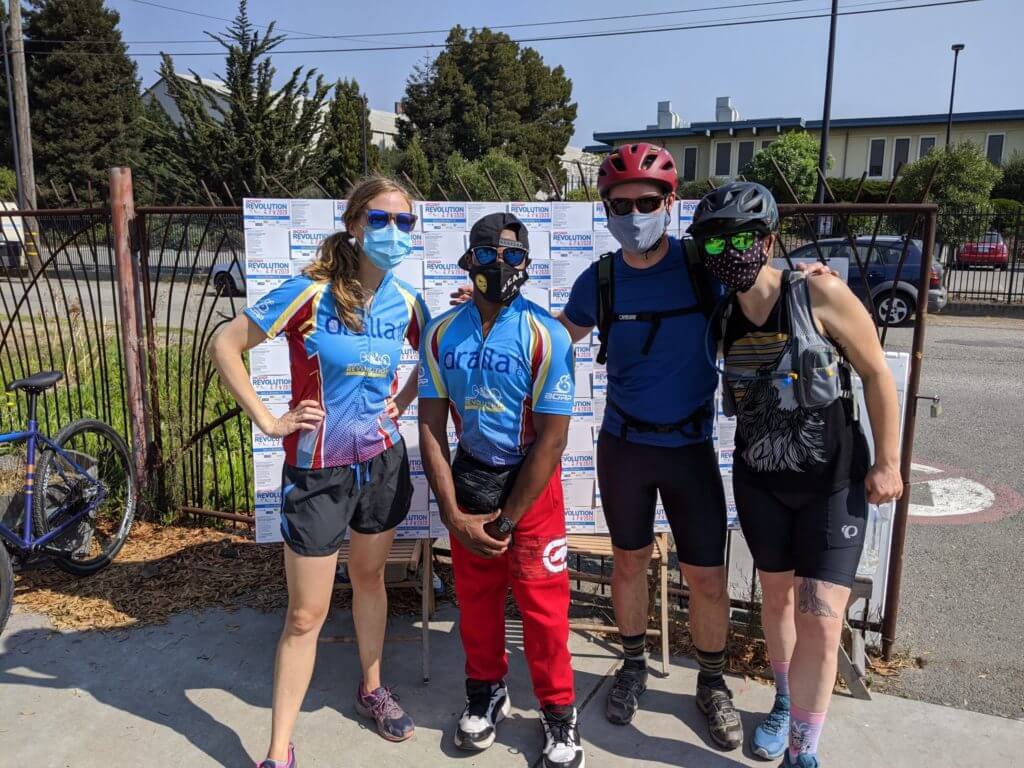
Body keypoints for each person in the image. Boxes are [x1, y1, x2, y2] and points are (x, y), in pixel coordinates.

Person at [210, 177, 429, 768]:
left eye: (404, 223)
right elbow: (225, 343)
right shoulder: (309, 293)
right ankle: (279, 750)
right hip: (317, 473)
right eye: (380, 220)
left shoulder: (406, 300)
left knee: (369, 580)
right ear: (355, 224)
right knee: (305, 614)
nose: (392, 233)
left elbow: (435, 351)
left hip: (381, 465)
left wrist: (403, 400)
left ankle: (372, 689)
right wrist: (269, 420)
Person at [688, 181, 903, 768]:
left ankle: (803, 752)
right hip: (761, 484)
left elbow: (877, 374)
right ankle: (785, 704)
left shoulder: (818, 294)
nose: (727, 251)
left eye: (742, 238)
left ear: (769, 240)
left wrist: (888, 461)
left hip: (832, 484)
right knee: (777, 603)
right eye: (713, 244)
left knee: (822, 620)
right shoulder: (722, 312)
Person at [558, 142, 745, 748]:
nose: (634, 214)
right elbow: (557, 337)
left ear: (671, 203)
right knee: (630, 562)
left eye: (646, 201)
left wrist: (808, 283)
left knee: (708, 577)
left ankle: (712, 683)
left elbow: (761, 299)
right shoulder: (602, 278)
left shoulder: (701, 267)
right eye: (620, 204)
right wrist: (489, 312)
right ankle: (634, 664)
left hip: (690, 448)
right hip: (625, 448)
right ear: (606, 209)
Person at [418, 213, 584, 768]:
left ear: (527, 265)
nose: (498, 266)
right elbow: (430, 428)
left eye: (512, 256)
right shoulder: (441, 332)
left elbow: (554, 442)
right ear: (469, 259)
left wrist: (507, 522)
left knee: (541, 607)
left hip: (533, 492)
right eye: (486, 254)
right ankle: (484, 693)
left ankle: (559, 715)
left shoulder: (548, 334)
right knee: (477, 603)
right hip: (471, 484)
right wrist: (454, 516)